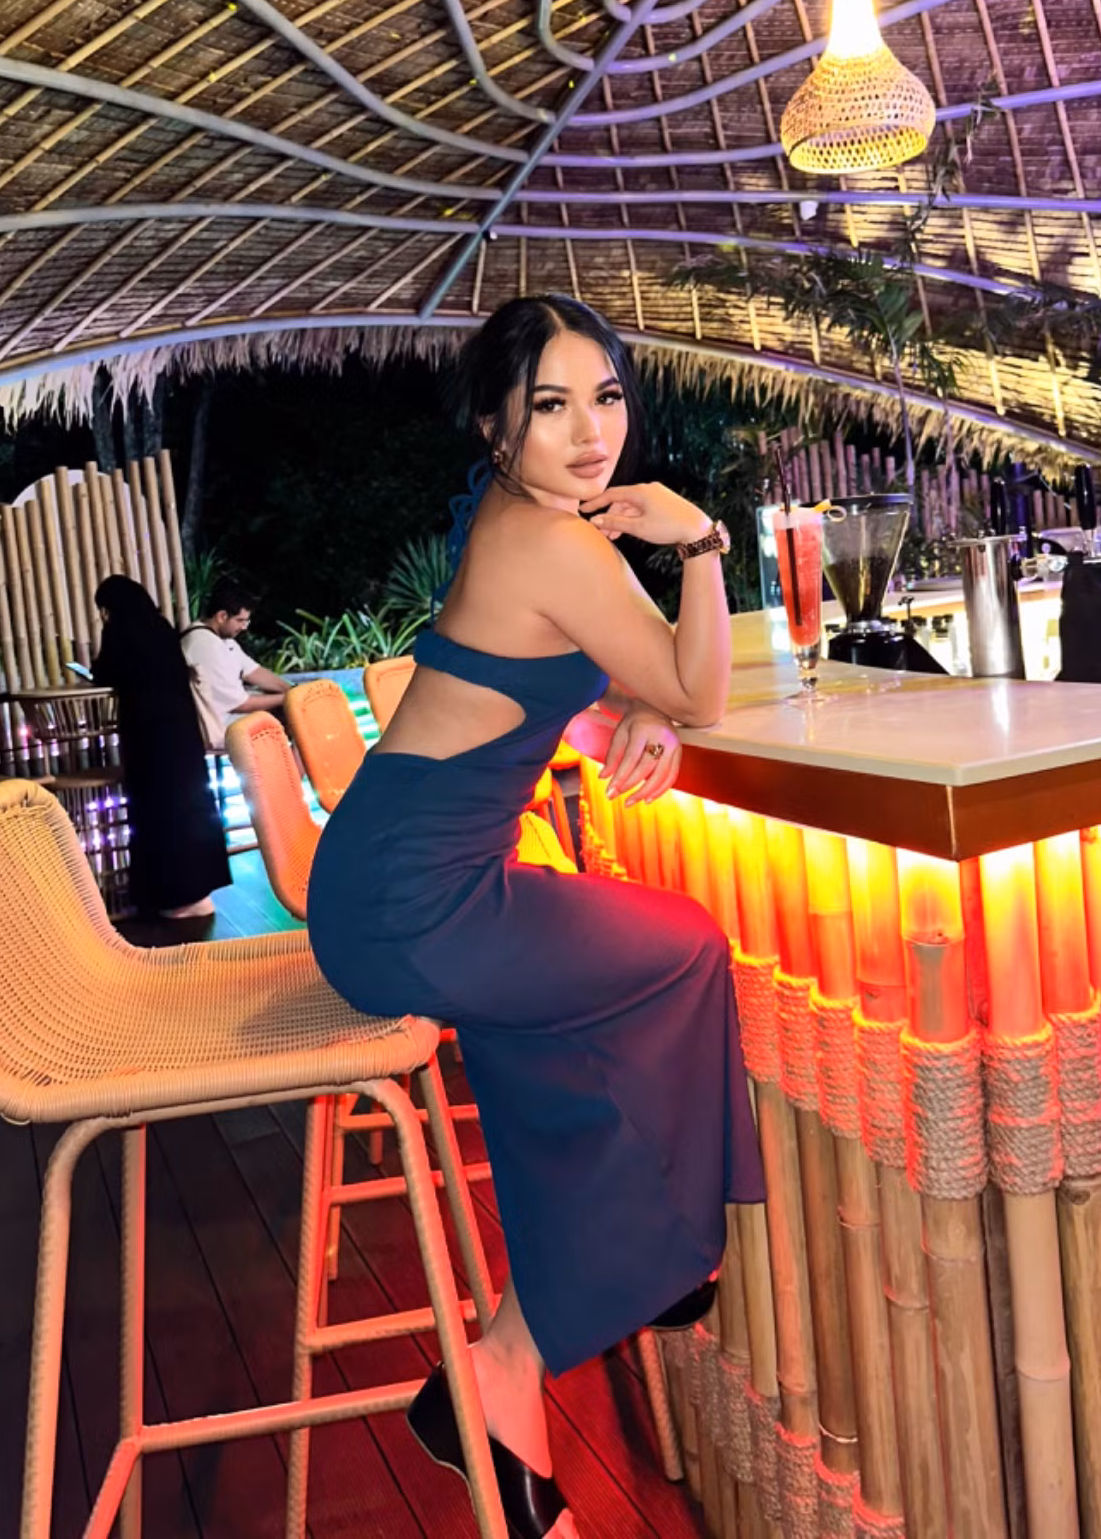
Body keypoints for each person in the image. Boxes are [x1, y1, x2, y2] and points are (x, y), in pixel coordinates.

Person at [307, 295, 765, 1539]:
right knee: (686, 950)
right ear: (495, 425)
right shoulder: (558, 541)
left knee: (554, 1026)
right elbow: (704, 688)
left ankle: (554, 1334)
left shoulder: (528, 525)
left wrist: (636, 707)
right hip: (417, 900)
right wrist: (702, 541)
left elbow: (590, 678)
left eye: (605, 397)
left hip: (407, 881)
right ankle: (637, 1271)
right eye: (550, 405)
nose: (589, 432)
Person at [92, 575, 231, 920]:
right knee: (189, 807)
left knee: (156, 814)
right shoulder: (163, 628)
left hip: (148, 737)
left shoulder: (119, 630)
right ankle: (199, 892)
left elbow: (105, 673)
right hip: (182, 733)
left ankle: (171, 898)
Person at [180, 577, 291, 745]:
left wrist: (292, 690)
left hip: (229, 715)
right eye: (240, 621)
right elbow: (241, 704)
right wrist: (288, 698)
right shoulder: (205, 645)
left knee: (297, 708)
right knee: (294, 714)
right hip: (216, 725)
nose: (244, 627)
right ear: (222, 616)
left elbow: (254, 671)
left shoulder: (221, 638)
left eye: (247, 621)